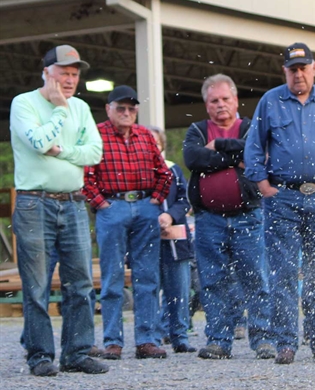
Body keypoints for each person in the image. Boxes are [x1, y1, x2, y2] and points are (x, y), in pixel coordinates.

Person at [244, 42, 315, 364]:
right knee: (283, 273)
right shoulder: (270, 101)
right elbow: (254, 145)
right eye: (292, 69)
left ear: (313, 68)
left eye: (303, 68)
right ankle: (286, 343)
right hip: (283, 199)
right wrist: (262, 183)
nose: (298, 75)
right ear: (285, 71)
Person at [10, 44, 108, 376]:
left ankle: (76, 352)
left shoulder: (82, 107)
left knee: (80, 282)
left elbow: (94, 152)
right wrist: (59, 111)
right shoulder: (24, 103)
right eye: (63, 72)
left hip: (74, 201)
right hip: (33, 201)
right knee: (36, 284)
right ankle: (40, 356)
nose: (69, 79)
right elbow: (38, 143)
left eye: (74, 74)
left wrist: (61, 151)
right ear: (46, 73)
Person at [182, 73, 275, 360]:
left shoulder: (249, 127)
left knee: (256, 278)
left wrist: (220, 147)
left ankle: (262, 339)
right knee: (212, 281)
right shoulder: (197, 130)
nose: (220, 105)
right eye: (214, 100)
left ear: (235, 100)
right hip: (209, 219)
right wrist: (236, 156)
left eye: (225, 99)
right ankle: (218, 340)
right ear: (206, 104)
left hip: (248, 216)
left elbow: (255, 152)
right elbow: (194, 159)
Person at [83, 85, 172, 360]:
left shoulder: (146, 135)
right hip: (113, 206)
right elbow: (86, 176)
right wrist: (102, 205)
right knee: (112, 277)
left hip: (145, 206)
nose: (126, 113)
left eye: (131, 108)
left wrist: (155, 200)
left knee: (147, 277)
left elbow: (164, 172)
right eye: (120, 108)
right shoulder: (96, 133)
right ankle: (112, 341)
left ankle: (147, 339)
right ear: (108, 109)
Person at [148, 127, 197, 353]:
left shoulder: (174, 170)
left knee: (179, 290)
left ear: (162, 146)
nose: (153, 149)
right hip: (146, 241)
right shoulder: (136, 173)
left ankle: (179, 336)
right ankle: (151, 337)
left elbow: (184, 199)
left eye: (156, 145)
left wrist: (170, 215)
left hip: (176, 240)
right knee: (148, 290)